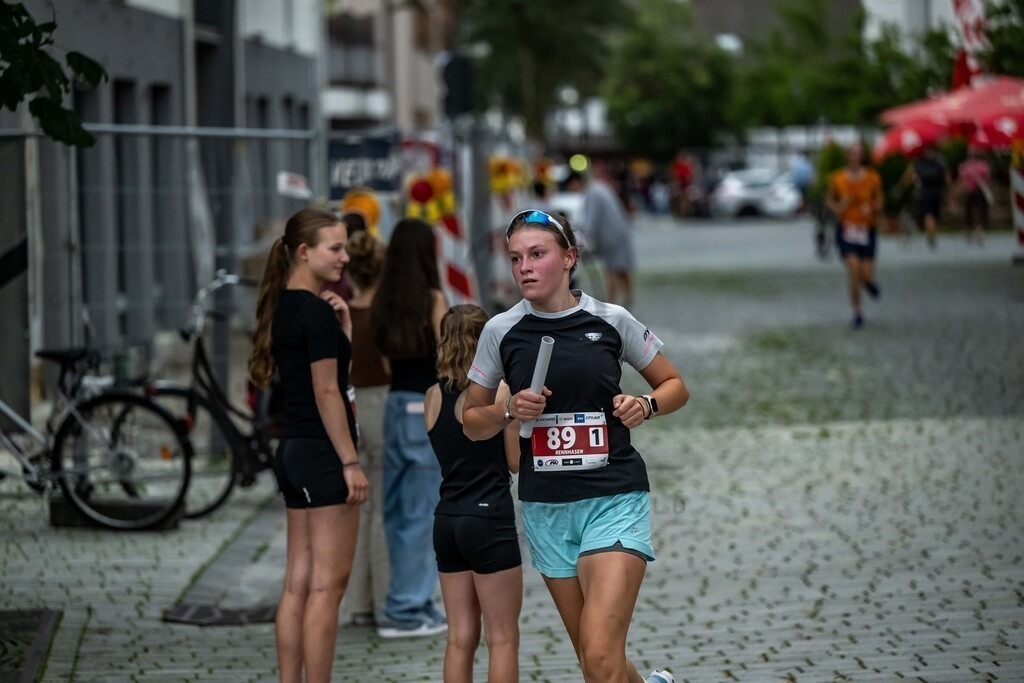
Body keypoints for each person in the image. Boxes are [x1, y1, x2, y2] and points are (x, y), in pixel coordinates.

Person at [462, 209, 689, 683]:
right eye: (515, 258)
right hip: (547, 509)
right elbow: (471, 423)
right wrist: (509, 411)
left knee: (601, 656)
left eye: (537, 255)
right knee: (594, 658)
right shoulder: (500, 331)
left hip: (614, 496)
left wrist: (645, 405)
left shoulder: (611, 320)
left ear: (569, 258)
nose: (524, 267)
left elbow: (674, 385)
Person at [248, 207, 369, 683]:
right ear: (304, 251)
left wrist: (346, 337)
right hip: (323, 455)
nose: (344, 256)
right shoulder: (315, 311)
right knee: (326, 586)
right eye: (334, 248)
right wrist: (351, 461)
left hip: (292, 453)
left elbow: (325, 381)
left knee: (297, 582)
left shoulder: (284, 307)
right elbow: (327, 393)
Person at [425, 304, 523, 683]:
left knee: (460, 638)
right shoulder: (500, 393)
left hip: (447, 518)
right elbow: (513, 462)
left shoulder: (433, 395)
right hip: (489, 517)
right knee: (502, 638)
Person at [371, 218, 450, 638]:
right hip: (425, 406)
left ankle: (411, 600)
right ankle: (407, 608)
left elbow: (386, 363)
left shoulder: (384, 301)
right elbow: (446, 358)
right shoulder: (432, 299)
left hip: (394, 404)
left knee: (399, 511)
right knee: (423, 512)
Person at [339, 230, 390, 628]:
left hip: (352, 408)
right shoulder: (382, 317)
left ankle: (357, 600)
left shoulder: (343, 315)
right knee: (386, 509)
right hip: (383, 405)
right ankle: (385, 598)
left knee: (360, 509)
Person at [826, 144, 883, 329]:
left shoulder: (873, 178)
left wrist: (873, 207)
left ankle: (869, 283)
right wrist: (838, 207)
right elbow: (829, 200)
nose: (856, 158)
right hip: (846, 229)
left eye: (859, 154)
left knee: (865, 274)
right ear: (847, 156)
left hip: (867, 229)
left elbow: (880, 200)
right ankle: (857, 312)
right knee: (854, 268)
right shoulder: (838, 178)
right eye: (852, 154)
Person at [564, 169, 637, 309]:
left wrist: (581, 238)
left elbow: (592, 220)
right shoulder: (599, 186)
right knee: (623, 268)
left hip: (611, 236)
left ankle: (610, 305)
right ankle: (629, 301)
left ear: (576, 182)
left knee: (613, 270)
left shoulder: (592, 193)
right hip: (620, 231)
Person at [904, 145, 949, 249]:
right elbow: (947, 177)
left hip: (925, 192)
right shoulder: (940, 161)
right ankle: (932, 234)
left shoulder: (919, 162)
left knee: (927, 214)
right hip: (937, 191)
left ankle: (930, 234)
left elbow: (912, 176)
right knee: (935, 214)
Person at [957, 147, 992, 245]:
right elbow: (987, 179)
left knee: (969, 211)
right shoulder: (983, 166)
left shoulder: (965, 166)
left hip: (970, 192)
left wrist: (957, 193)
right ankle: (980, 229)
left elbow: (962, 180)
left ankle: (968, 231)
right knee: (981, 211)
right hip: (980, 192)